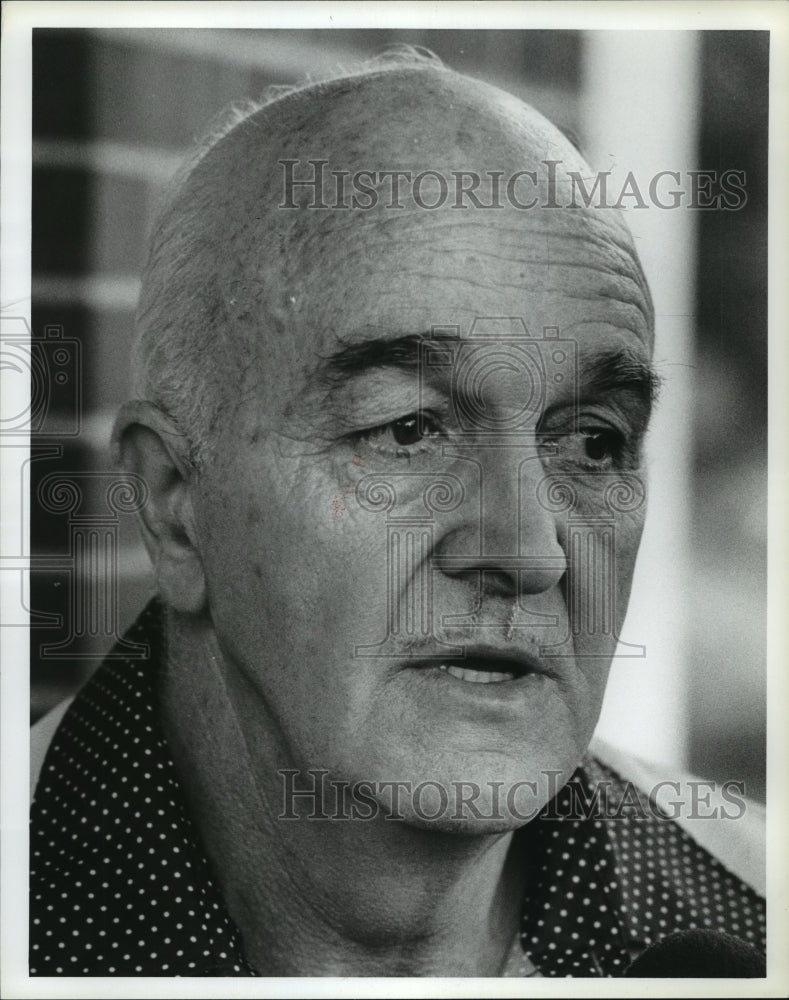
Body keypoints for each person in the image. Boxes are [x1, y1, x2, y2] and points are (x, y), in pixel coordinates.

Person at [29, 47, 765, 977]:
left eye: (592, 442)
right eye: (408, 429)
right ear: (176, 505)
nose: (530, 550)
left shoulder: (751, 921)